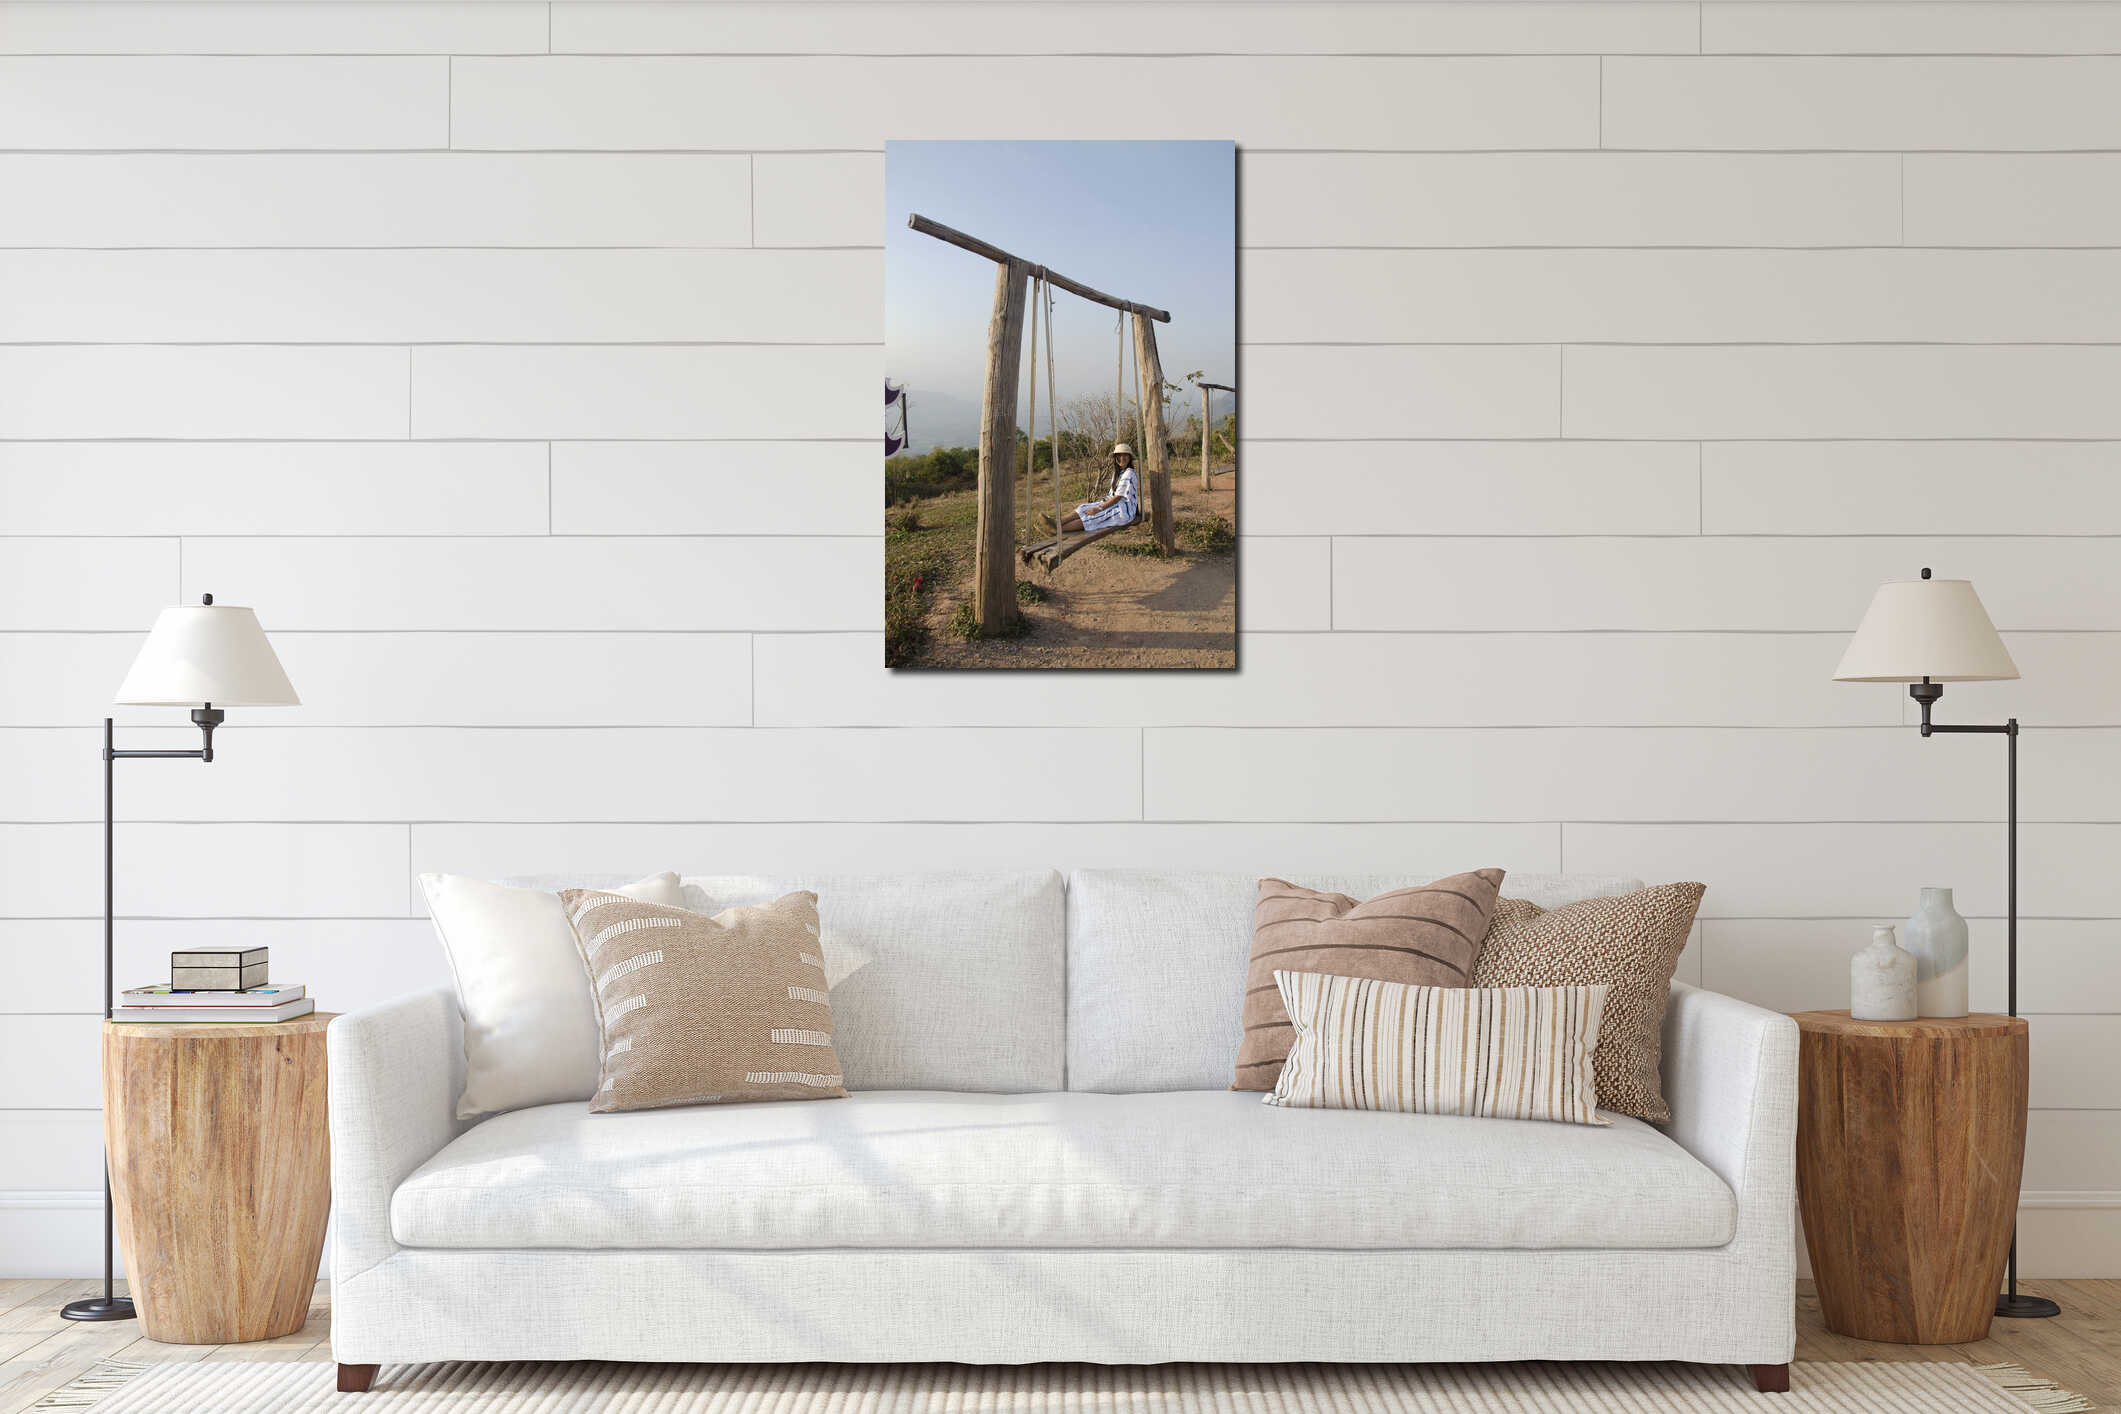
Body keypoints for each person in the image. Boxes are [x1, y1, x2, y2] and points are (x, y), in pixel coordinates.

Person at [1051, 443, 1141, 535]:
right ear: (1115, 458)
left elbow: (1117, 497)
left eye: (1125, 455)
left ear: (1129, 458)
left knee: (1094, 516)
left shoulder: (1129, 473)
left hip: (1124, 510)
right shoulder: (1118, 473)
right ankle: (1057, 522)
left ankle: (1058, 530)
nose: (1122, 458)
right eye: (1119, 455)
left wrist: (1099, 508)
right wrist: (1099, 505)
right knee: (1083, 508)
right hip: (1114, 504)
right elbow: (1112, 496)